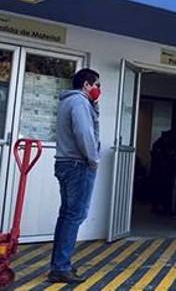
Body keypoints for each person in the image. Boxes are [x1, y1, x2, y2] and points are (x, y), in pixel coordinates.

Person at [48, 68, 101, 284]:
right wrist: (93, 160)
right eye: (96, 85)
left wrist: (94, 106)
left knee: (67, 215)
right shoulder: (79, 102)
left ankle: (59, 265)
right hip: (77, 164)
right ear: (86, 85)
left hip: (65, 163)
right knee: (75, 216)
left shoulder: (69, 101)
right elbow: (84, 133)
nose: (98, 89)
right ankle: (61, 267)